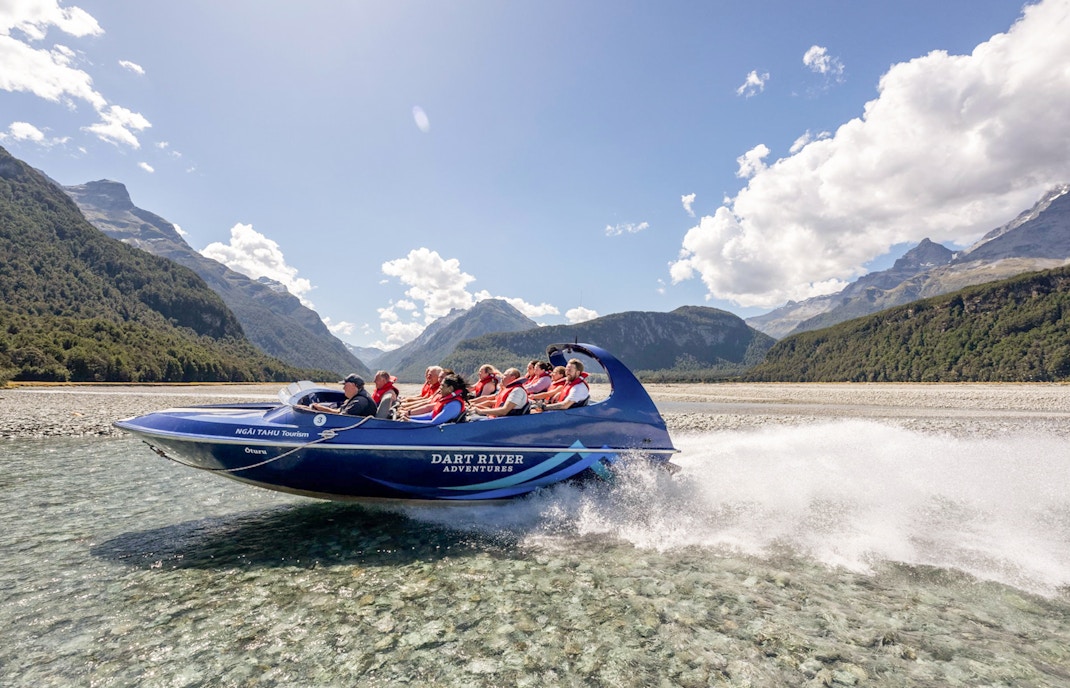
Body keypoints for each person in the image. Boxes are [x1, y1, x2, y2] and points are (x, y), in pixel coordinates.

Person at [403, 373, 469, 424]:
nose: (440, 388)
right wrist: (410, 417)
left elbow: (434, 423)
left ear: (450, 389)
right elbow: (431, 415)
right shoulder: (448, 401)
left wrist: (410, 421)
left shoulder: (454, 405)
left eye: (442, 385)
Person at [305, 374, 376, 416]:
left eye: (345, 385)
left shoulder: (359, 402)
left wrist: (321, 409)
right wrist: (320, 408)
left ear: (354, 385)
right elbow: (340, 411)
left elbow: (340, 417)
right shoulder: (359, 397)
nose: (343, 388)